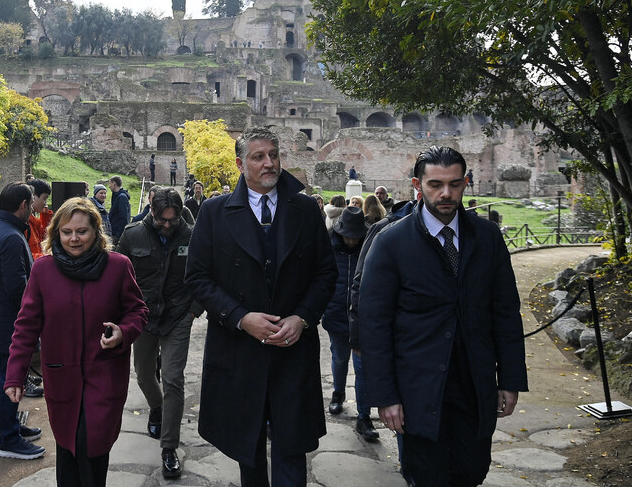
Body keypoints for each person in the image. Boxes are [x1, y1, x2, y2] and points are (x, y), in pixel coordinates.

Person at [358, 146, 527, 486]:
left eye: (455, 184)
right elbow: (374, 324)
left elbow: (506, 311)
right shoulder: (390, 241)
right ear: (417, 185)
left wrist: (510, 378)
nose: (446, 193)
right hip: (417, 386)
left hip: (473, 381)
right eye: (435, 184)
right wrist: (385, 396)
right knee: (426, 474)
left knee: (471, 470)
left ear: (466, 183)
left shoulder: (488, 238)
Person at [185, 127, 337, 487]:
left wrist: (302, 317)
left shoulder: (304, 209)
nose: (269, 163)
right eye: (258, 157)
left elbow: (326, 273)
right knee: (247, 450)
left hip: (292, 350)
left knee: (291, 450)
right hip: (239, 350)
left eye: (274, 154)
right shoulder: (214, 212)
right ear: (240, 164)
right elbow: (198, 278)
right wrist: (239, 318)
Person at [4, 197, 148, 485]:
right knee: (69, 449)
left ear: (96, 231)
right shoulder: (43, 270)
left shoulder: (118, 266)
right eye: (66, 231)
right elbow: (26, 325)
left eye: (81, 231)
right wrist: (15, 375)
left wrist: (122, 332)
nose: (74, 238)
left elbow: (138, 311)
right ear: (56, 231)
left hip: (104, 376)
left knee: (93, 449)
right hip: (62, 378)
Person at [116, 188, 200, 479]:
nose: (166, 225)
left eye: (172, 220)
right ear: (151, 210)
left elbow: (205, 273)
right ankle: (156, 406)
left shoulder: (192, 236)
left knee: (174, 379)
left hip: (178, 316)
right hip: (143, 317)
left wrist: (193, 310)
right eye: (161, 219)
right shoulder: (132, 235)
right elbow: (117, 275)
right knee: (142, 373)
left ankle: (169, 448)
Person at [0, 182, 45, 460]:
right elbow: (16, 287)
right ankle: (8, 438)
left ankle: (12, 427)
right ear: (22, 205)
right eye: (31, 203)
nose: (33, 208)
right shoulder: (9, 237)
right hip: (10, 321)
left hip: (3, 316)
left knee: (6, 375)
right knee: (10, 378)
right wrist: (35, 319)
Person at [322, 207, 379, 442]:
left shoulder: (371, 246)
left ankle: (363, 415)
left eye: (356, 236)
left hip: (362, 317)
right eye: (348, 235)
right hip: (336, 312)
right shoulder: (329, 247)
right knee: (339, 358)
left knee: (362, 366)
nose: (352, 240)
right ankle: (338, 393)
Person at [108, 175, 130, 245]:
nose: (109, 186)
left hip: (117, 235)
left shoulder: (121, 197)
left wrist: (118, 235)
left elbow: (123, 218)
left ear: (114, 184)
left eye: (110, 183)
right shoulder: (116, 196)